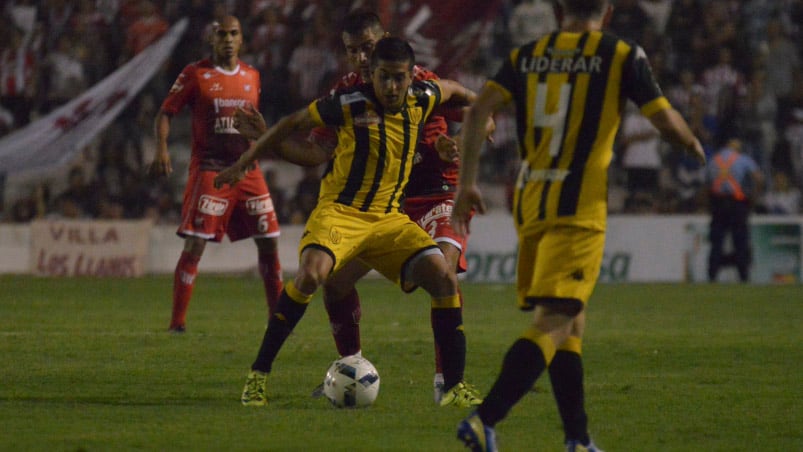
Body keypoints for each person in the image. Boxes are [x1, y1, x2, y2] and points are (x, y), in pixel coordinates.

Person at [451, 1, 706, 451]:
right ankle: (483, 419)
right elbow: (664, 121)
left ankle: (577, 439)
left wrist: (467, 184)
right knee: (555, 320)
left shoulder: (526, 54)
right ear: (607, 10)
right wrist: (690, 140)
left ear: (557, 7)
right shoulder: (621, 53)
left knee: (572, 321)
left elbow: (477, 110)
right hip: (579, 206)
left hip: (531, 202)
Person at [233, 11, 490, 406]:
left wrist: (463, 141)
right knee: (325, 279)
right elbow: (314, 147)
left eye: (368, 48)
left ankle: (449, 383)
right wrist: (264, 141)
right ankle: (269, 373)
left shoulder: (418, 83)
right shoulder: (347, 97)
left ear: (385, 43)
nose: (363, 59)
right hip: (361, 209)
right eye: (354, 52)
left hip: (433, 191)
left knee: (444, 274)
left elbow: (470, 107)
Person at [148, 16, 284, 333]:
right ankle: (177, 323)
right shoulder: (196, 74)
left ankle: (278, 318)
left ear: (241, 39)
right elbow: (166, 112)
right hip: (211, 169)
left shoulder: (252, 75)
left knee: (270, 241)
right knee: (196, 243)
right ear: (211, 39)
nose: (227, 39)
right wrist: (162, 148)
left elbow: (254, 126)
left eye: (233, 33)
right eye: (221, 34)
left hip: (248, 170)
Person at [705, 138, 762, 282]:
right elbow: (759, 178)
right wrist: (753, 197)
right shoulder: (743, 159)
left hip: (718, 203)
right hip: (737, 204)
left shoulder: (714, 160)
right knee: (740, 241)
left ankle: (712, 275)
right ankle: (743, 276)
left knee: (716, 242)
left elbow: (707, 184)